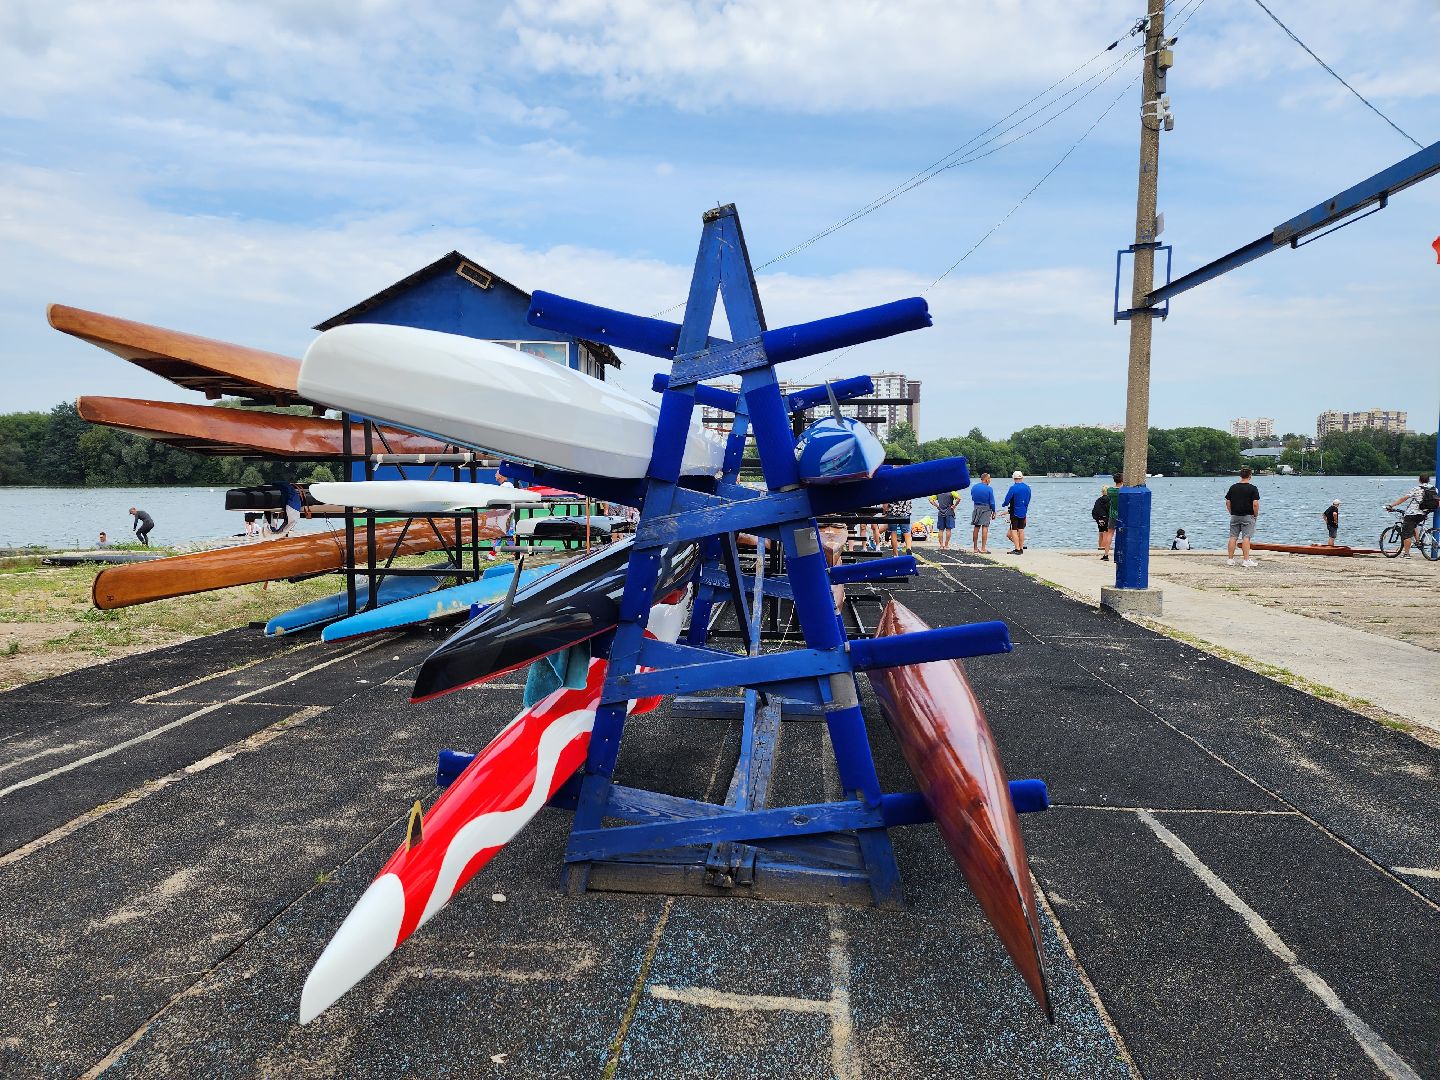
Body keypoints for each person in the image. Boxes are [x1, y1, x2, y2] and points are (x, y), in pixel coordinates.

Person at [1385, 474, 1437, 559]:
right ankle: (1418, 542)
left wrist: (1391, 505)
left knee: (1406, 534)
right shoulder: (1434, 489)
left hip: (1412, 513)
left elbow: (1403, 498)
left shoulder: (1416, 489)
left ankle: (1406, 554)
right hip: (1424, 513)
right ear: (1429, 480)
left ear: (1419, 480)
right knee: (1413, 525)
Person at [1224, 467, 1260, 567]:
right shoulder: (1253, 488)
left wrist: (1231, 512)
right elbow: (1255, 504)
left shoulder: (1233, 487)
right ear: (1250, 476)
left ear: (1240, 475)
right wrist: (1255, 515)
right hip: (1248, 515)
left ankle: (1230, 559)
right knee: (1246, 537)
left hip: (1235, 515)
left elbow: (1227, 501)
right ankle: (1246, 560)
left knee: (1233, 537)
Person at [1002, 470, 1032, 555]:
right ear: (1022, 478)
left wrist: (1004, 504)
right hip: (1023, 511)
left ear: (1014, 478)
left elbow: (1007, 500)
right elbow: (1028, 499)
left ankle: (1017, 549)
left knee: (1014, 530)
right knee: (1021, 530)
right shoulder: (1027, 487)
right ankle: (1021, 548)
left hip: (1014, 511)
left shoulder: (1013, 488)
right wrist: (1025, 507)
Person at [970, 472, 996, 553]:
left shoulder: (974, 487)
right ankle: (983, 548)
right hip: (986, 508)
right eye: (989, 479)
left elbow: (973, 497)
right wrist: (994, 511)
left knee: (976, 527)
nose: (990, 480)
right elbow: (992, 501)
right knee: (985, 527)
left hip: (976, 507)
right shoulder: (989, 489)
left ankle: (975, 548)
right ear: (986, 479)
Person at [1091, 485, 1111, 561]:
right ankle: (1105, 548)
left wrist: (1097, 519)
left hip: (1099, 519)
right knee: (1107, 533)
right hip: (1107, 518)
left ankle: (1100, 546)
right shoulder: (1110, 500)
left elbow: (1094, 511)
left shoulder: (1098, 500)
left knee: (1101, 532)